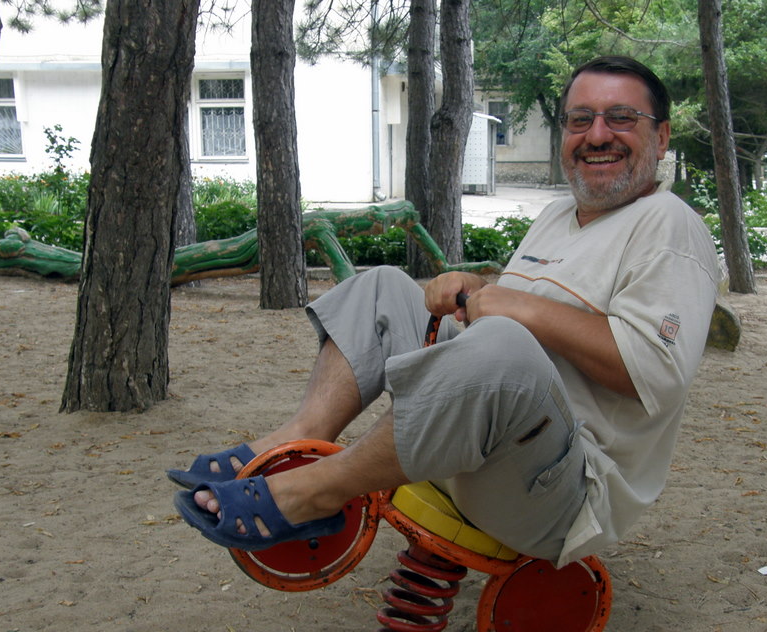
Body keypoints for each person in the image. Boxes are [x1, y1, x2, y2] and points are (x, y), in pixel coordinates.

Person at [169, 55, 719, 569]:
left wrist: (516, 307)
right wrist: (477, 291)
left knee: (504, 344)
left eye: (621, 118)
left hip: (562, 491)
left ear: (661, 137)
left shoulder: (669, 225)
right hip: (491, 444)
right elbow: (530, 316)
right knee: (383, 286)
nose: (597, 135)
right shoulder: (559, 216)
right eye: (581, 120)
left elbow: (654, 373)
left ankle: (317, 491)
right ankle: (295, 444)